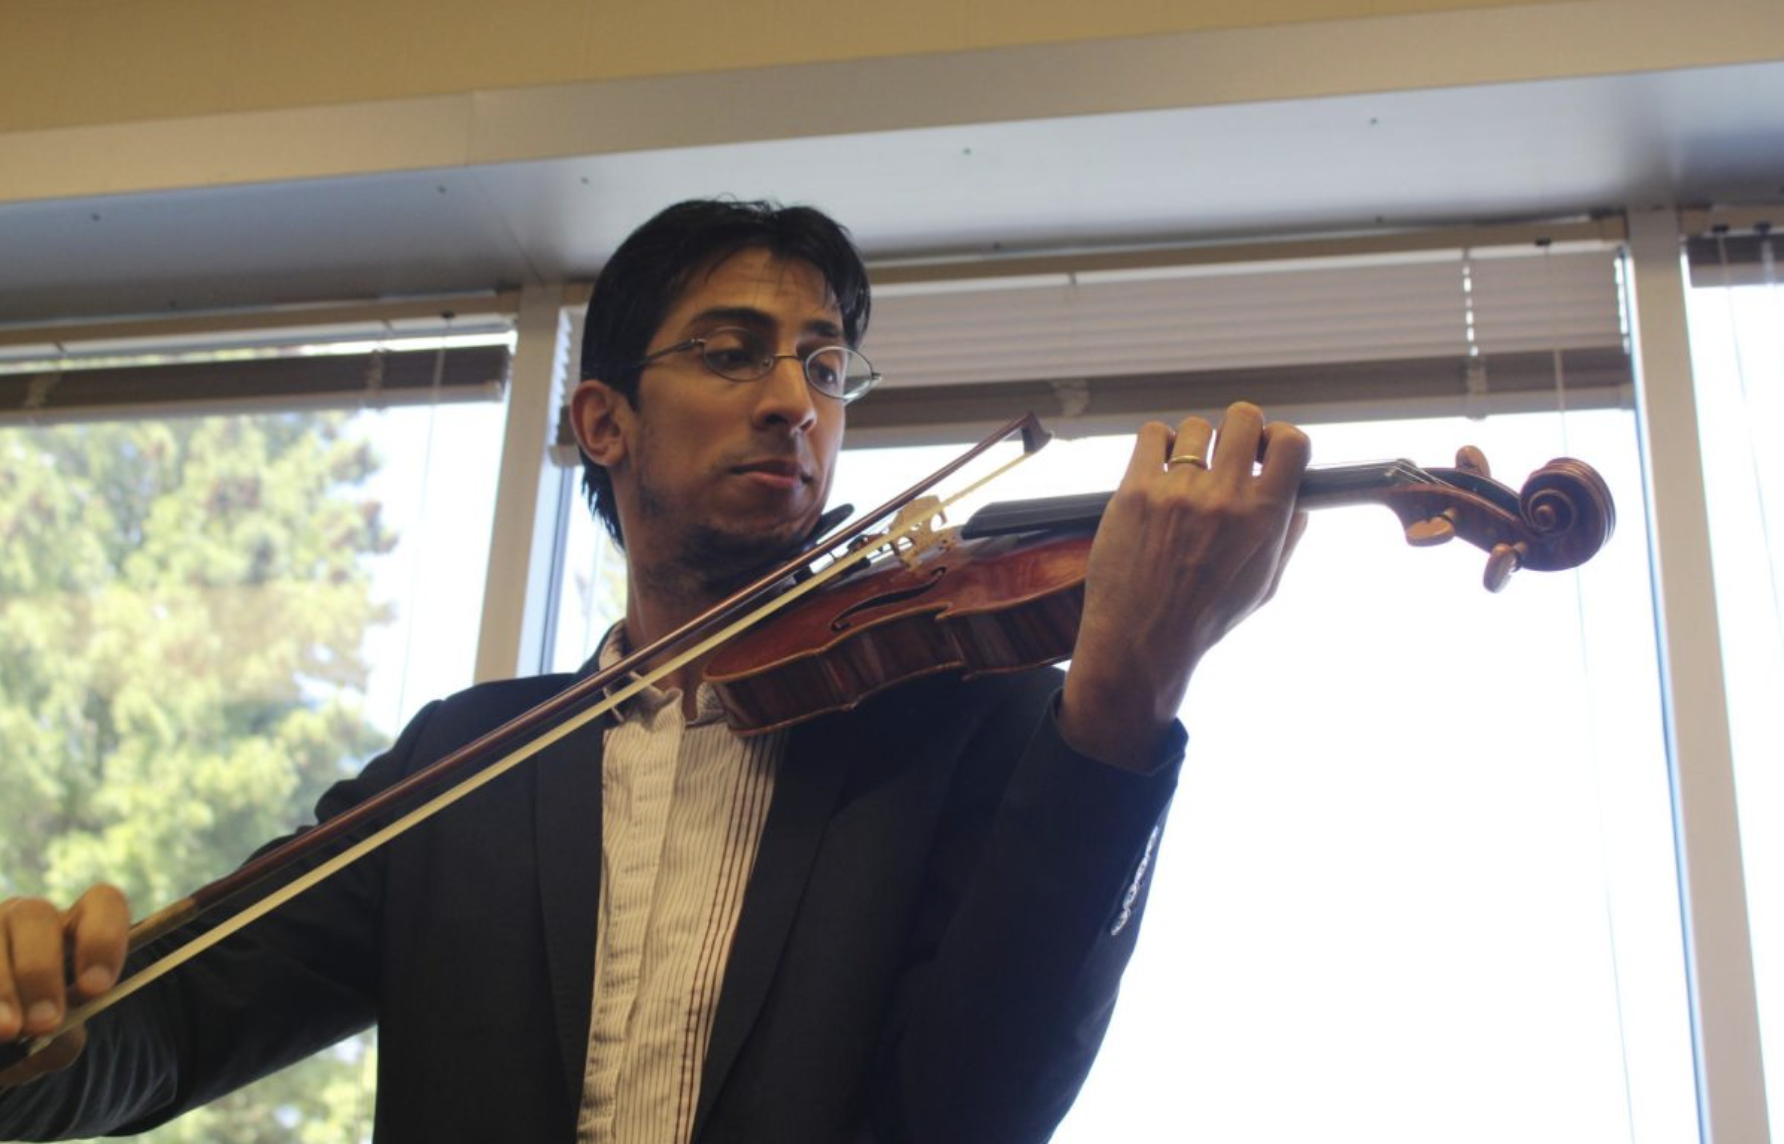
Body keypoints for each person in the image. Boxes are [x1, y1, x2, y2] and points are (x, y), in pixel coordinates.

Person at [0, 199, 1309, 1142]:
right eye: (734, 352)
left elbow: (975, 1108)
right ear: (603, 420)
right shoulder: (466, 759)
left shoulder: (960, 723)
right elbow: (167, 1042)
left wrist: (1125, 710)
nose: (794, 397)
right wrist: (33, 1041)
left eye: (825, 363)